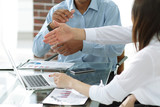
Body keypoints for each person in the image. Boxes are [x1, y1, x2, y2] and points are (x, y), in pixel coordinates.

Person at [44, 0, 160, 106]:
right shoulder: (154, 36)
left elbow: (106, 95)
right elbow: (119, 33)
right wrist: (74, 33)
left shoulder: (148, 55)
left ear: (142, 19)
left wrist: (69, 82)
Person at [33, 0, 125, 85]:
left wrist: (82, 45)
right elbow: (37, 51)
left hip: (101, 78)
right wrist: (52, 26)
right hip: (67, 78)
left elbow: (117, 48)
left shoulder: (109, 8)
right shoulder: (57, 10)